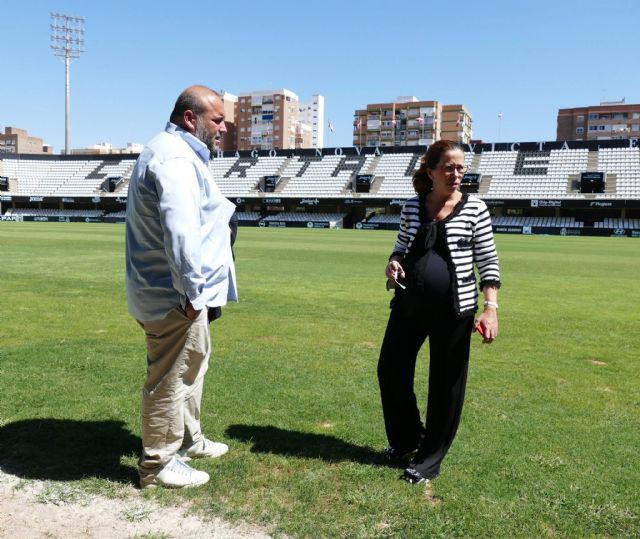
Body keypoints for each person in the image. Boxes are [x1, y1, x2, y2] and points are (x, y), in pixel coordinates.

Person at [125, 85, 237, 489]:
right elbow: (180, 231)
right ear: (191, 118)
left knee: (190, 367)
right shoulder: (174, 158)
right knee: (169, 377)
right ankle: (157, 464)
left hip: (175, 292)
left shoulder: (179, 153)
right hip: (173, 295)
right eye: (217, 120)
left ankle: (189, 439)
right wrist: (191, 294)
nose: (223, 128)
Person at [377, 139, 501, 485]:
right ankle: (406, 440)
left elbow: (488, 261)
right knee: (390, 370)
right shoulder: (412, 207)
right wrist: (393, 263)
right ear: (430, 171)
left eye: (461, 167)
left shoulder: (475, 208)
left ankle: (429, 459)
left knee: (446, 385)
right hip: (407, 305)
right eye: (449, 167)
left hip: (454, 310)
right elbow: (400, 248)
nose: (457, 173)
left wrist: (490, 308)